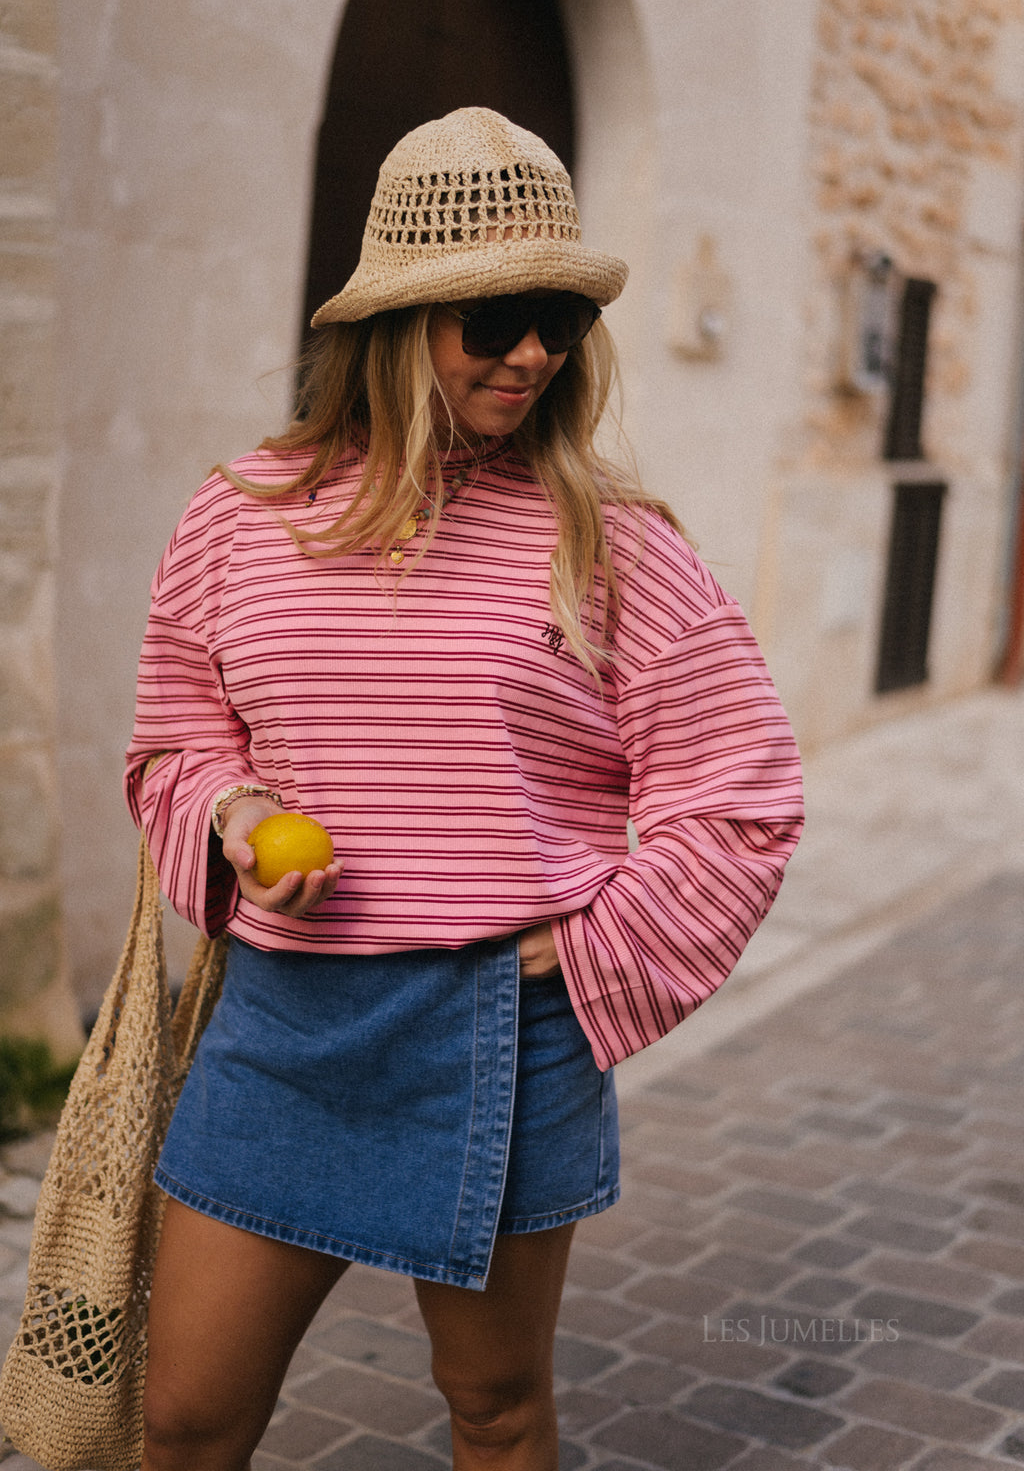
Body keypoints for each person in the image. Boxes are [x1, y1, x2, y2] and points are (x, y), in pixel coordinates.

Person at [125, 106, 803, 1471]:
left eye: (556, 315)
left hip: (505, 1022)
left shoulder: (609, 543)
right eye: (495, 319)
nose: (536, 352)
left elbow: (742, 787)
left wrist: (594, 944)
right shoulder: (238, 516)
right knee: (184, 1415)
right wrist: (237, 815)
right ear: (394, 324)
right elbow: (173, 739)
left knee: (495, 1412)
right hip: (287, 1016)